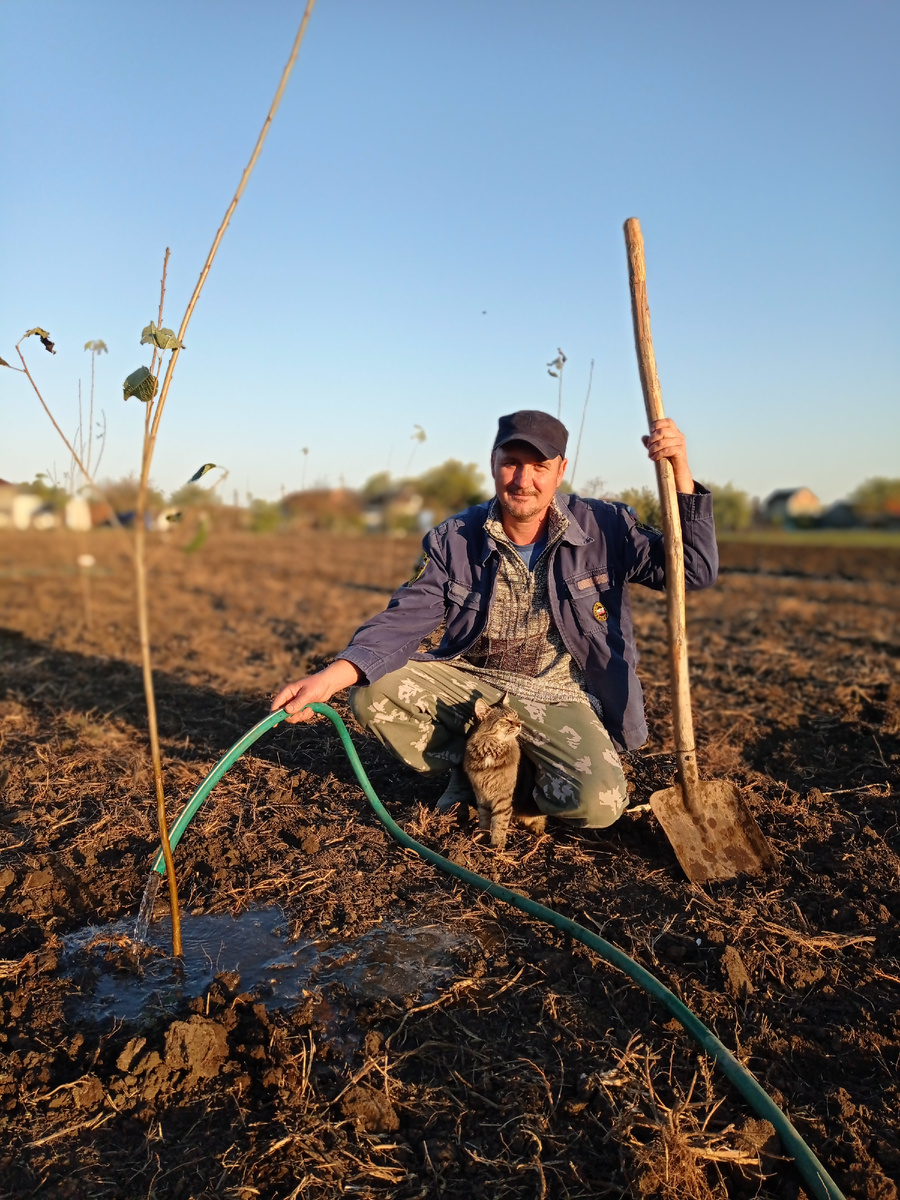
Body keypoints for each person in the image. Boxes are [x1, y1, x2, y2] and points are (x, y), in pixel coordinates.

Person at [272, 410, 718, 829]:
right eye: (511, 464)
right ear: (492, 464)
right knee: (371, 692)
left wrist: (679, 467)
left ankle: (516, 781)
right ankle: (475, 769)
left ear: (561, 471)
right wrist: (329, 678)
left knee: (599, 804)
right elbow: (405, 617)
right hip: (476, 688)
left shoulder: (605, 527)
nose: (524, 480)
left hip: (561, 697)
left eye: (539, 466)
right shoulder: (456, 538)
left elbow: (693, 570)